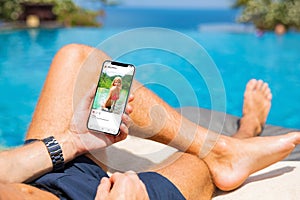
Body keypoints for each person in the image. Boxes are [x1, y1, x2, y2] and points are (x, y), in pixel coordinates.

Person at [0, 44, 299, 200]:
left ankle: (221, 149)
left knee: (77, 58)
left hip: (35, 172)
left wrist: (70, 141)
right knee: (204, 168)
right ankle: (247, 130)